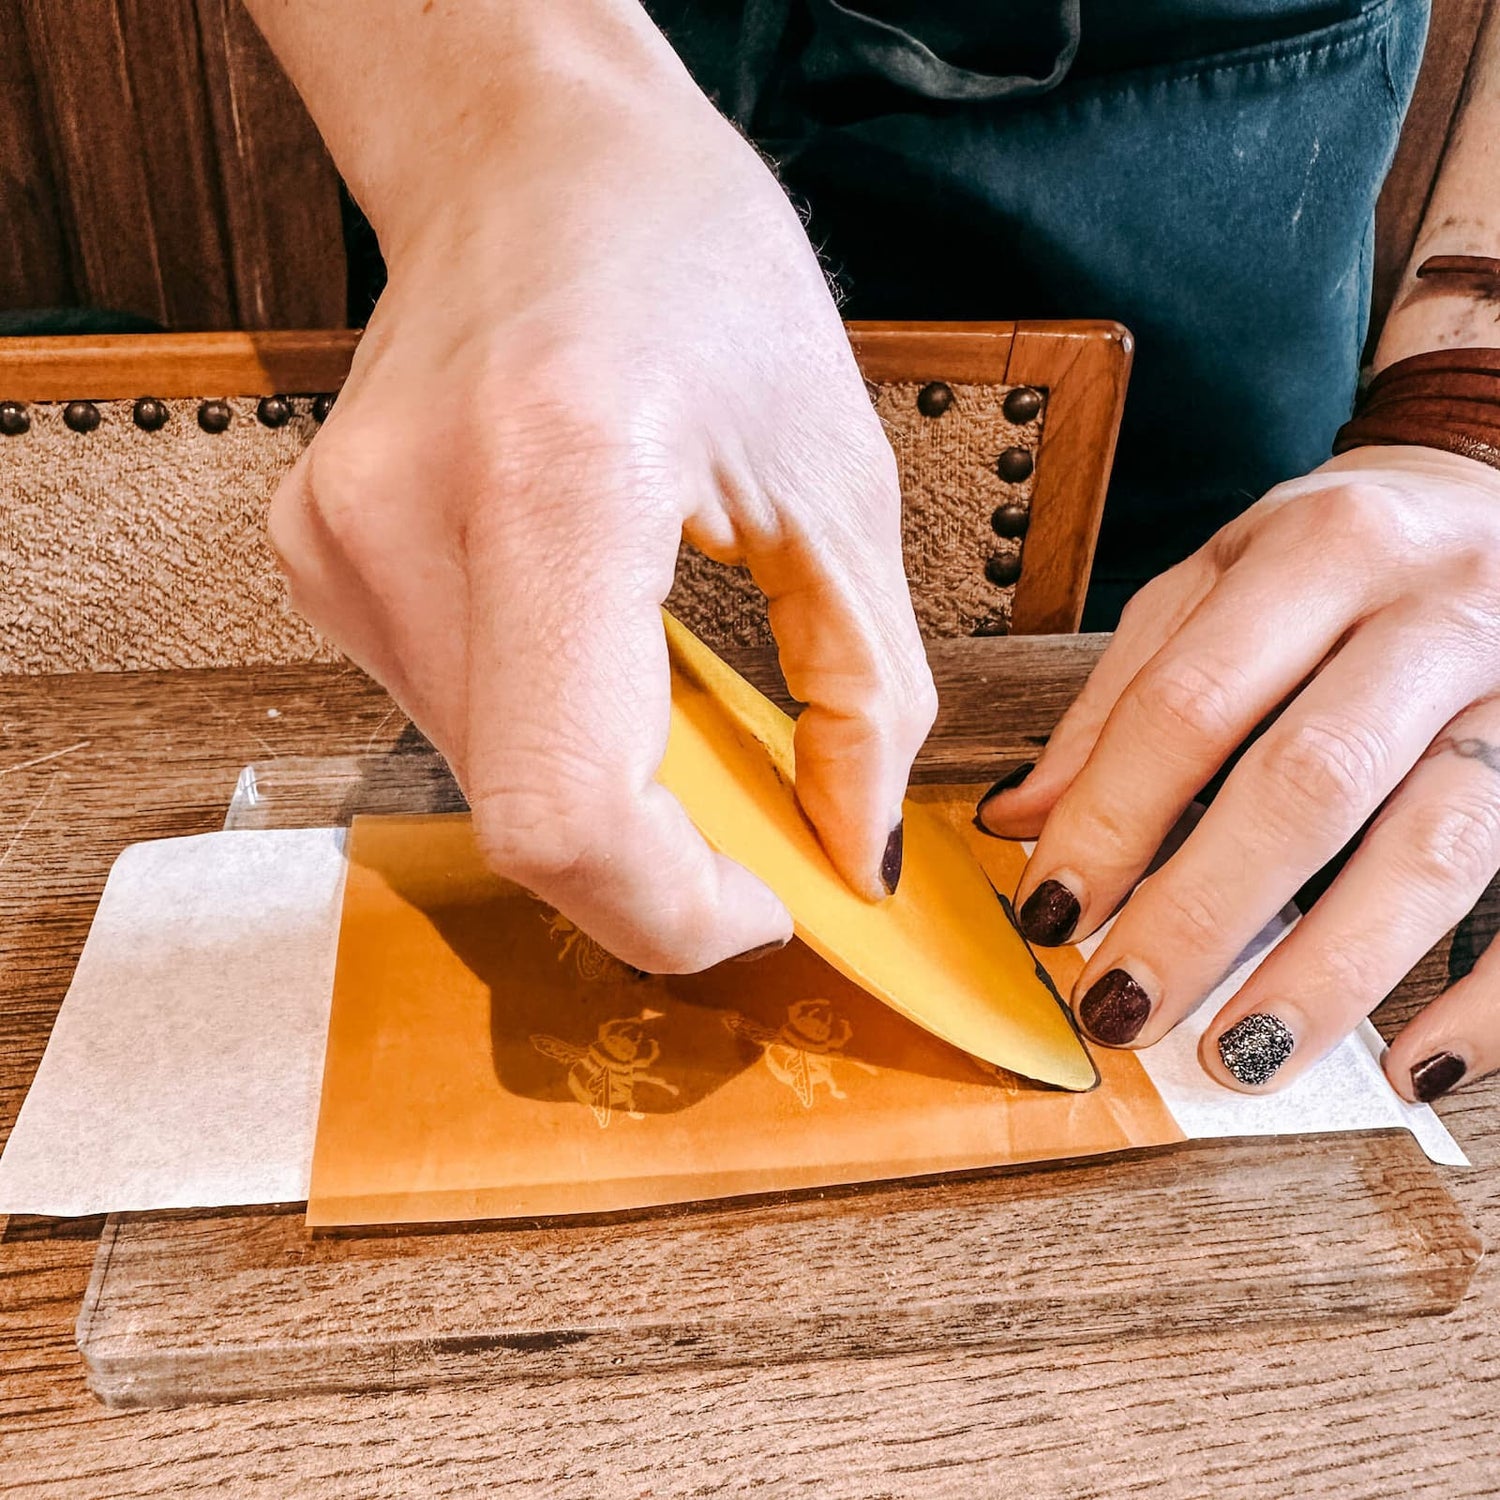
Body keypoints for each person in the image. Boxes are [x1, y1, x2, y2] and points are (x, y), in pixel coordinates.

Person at [243, 0, 1500, 1103]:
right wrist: (506, 112)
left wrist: (1469, 414)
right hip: (486, 121)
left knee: (1254, 781)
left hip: (1206, 133)